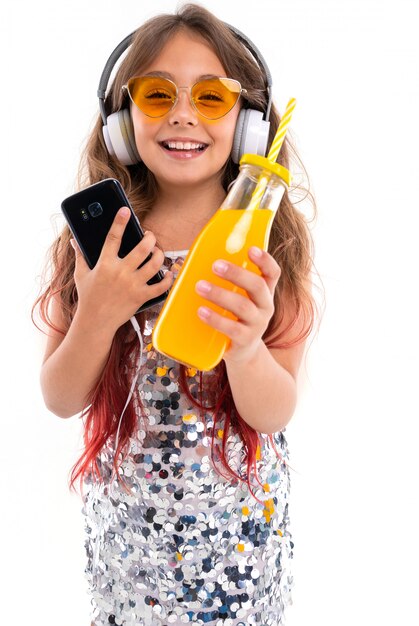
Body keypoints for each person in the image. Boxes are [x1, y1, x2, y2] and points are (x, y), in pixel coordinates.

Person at [34, 4, 319, 625]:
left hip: (237, 545)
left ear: (246, 125)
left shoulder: (266, 246)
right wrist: (98, 313)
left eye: (211, 97)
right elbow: (60, 398)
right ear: (121, 122)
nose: (183, 114)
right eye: (158, 95)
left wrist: (245, 349)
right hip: (128, 544)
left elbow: (273, 412)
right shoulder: (100, 243)